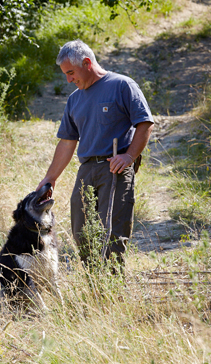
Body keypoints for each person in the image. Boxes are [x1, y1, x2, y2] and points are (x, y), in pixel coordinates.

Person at [37, 40, 154, 265]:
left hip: (115, 168)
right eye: (65, 75)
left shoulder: (122, 85)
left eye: (71, 72)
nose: (68, 80)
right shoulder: (74, 100)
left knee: (112, 234)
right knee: (82, 232)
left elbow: (145, 123)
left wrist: (128, 156)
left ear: (87, 63)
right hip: (86, 170)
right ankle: (95, 288)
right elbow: (67, 142)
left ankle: (113, 289)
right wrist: (50, 178)